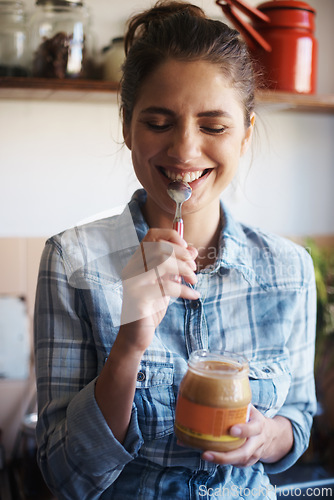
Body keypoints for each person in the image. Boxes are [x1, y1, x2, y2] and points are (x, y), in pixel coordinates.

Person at [34, 2, 317, 499]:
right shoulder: (71, 262)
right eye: (159, 122)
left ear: (246, 133)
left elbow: (299, 415)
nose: (185, 151)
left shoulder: (288, 268)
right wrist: (128, 345)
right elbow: (64, 477)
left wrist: (266, 438)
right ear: (127, 126)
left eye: (214, 126)